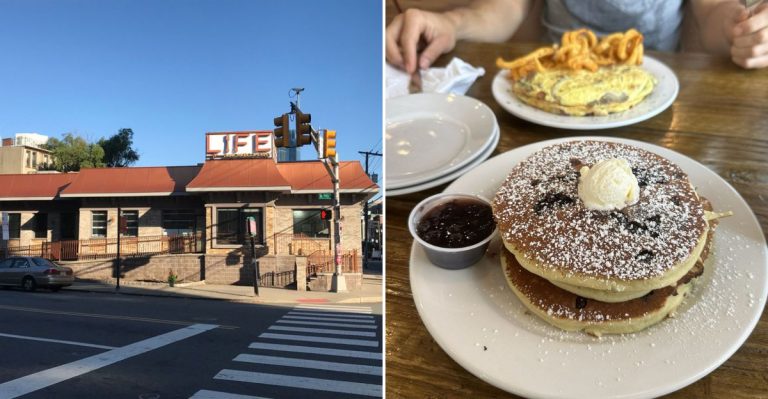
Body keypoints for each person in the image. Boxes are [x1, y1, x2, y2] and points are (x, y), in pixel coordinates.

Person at [386, 0, 768, 71]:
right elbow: (506, 7)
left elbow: (712, 11)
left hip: (655, 81)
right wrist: (453, 23)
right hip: (553, 79)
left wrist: (742, 28)